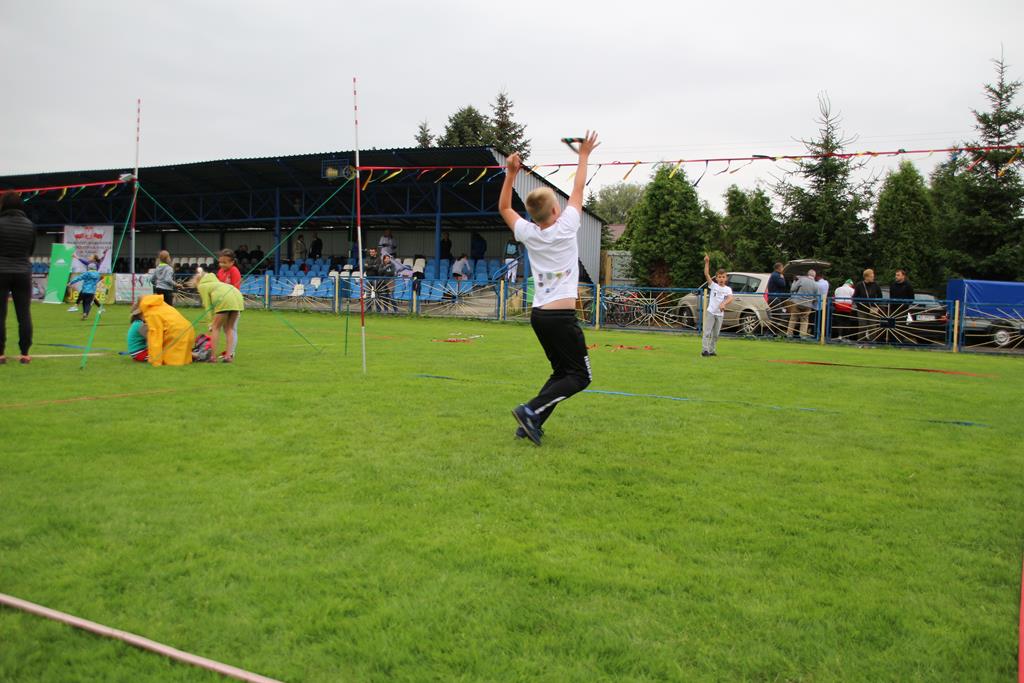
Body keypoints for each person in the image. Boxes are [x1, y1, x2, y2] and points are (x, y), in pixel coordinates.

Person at [499, 130, 599, 446]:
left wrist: (510, 174)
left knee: (561, 373)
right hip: (560, 318)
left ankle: (530, 424)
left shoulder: (528, 232)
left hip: (539, 315)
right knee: (581, 377)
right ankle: (529, 410)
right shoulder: (567, 227)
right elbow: (578, 189)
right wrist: (583, 155)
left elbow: (505, 208)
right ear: (556, 211)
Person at [0, 191, 35, 364]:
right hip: (22, 271)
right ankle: (25, 353)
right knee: (24, 314)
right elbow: (31, 250)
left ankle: (1, 353)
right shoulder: (30, 225)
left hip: (1, 271)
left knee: (0, 315)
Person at [192, 269, 244, 363]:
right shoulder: (218, 284)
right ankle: (228, 356)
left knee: (215, 328)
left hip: (224, 301)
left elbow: (207, 306)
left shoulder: (202, 286)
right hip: (237, 299)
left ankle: (212, 357)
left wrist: (210, 323)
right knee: (229, 328)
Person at [136, 293, 195, 366]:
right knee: (182, 358)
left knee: (172, 362)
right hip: (188, 329)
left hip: (176, 332)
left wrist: (155, 362)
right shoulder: (164, 306)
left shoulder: (151, 314)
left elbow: (155, 339)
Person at [701, 254, 734, 357]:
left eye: (723, 277)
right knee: (707, 332)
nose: (721, 279)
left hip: (720, 314)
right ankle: (705, 350)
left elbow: (730, 298)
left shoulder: (728, 289)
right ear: (716, 278)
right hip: (711, 312)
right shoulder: (713, 285)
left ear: (726, 278)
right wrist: (707, 262)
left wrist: (723, 303)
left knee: (715, 335)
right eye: (719, 277)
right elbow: (706, 274)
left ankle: (712, 350)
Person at [217, 249, 243, 360]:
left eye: (225, 262)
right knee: (225, 329)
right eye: (220, 262)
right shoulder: (220, 271)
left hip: (233, 303)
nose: (222, 264)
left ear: (232, 262)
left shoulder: (234, 271)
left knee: (231, 328)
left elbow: (235, 288)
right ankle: (228, 351)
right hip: (223, 303)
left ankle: (231, 353)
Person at [786, 269, 818, 338]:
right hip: (808, 305)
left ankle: (789, 334)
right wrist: (811, 302)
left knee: (793, 318)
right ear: (814, 276)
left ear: (808, 274)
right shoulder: (816, 284)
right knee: (804, 320)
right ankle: (802, 336)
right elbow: (816, 298)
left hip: (798, 302)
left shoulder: (802, 280)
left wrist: (795, 281)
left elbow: (792, 289)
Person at [854, 268, 883, 341]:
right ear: (866, 277)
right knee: (862, 326)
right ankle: (861, 341)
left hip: (873, 308)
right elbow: (855, 297)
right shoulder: (859, 285)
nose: (873, 278)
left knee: (873, 327)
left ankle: (872, 342)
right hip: (862, 309)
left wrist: (876, 305)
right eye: (871, 276)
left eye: (873, 276)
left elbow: (880, 296)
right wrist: (860, 305)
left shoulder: (876, 285)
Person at [766, 262, 788, 332]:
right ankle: (770, 332)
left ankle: (772, 332)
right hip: (774, 298)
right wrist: (782, 278)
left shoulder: (773, 275)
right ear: (779, 268)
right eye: (782, 267)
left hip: (773, 298)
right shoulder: (776, 275)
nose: (783, 269)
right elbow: (783, 284)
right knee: (778, 316)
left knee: (776, 316)